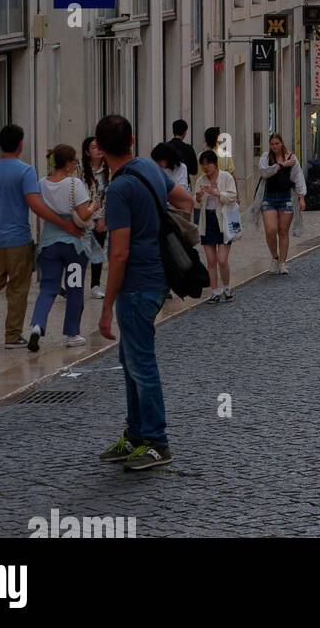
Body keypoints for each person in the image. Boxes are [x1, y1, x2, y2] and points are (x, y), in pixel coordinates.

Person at [96, 114, 194, 472]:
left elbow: (118, 252)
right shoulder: (150, 169)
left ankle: (156, 440)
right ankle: (136, 434)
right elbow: (185, 199)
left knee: (141, 362)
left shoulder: (119, 189)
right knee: (131, 360)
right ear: (133, 140)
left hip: (137, 284)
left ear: (101, 150)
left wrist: (106, 306)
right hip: (157, 276)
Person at [0, 124, 81, 353]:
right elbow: (35, 205)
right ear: (20, 144)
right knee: (18, 287)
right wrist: (64, 224)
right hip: (18, 239)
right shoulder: (25, 171)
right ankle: (12, 335)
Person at [25, 144, 95, 352]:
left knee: (48, 288)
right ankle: (72, 334)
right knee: (74, 288)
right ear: (67, 164)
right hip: (74, 247)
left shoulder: (41, 184)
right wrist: (95, 207)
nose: (76, 164)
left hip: (49, 244)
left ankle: (37, 325)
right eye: (74, 160)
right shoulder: (75, 184)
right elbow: (83, 214)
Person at [256, 132, 306, 275]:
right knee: (270, 230)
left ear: (282, 143)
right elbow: (264, 173)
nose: (275, 146)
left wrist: (301, 197)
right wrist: (281, 165)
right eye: (272, 144)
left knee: (283, 231)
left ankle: (283, 262)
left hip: (286, 197)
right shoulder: (266, 157)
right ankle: (275, 256)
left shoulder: (291, 157)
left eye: (277, 143)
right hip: (269, 197)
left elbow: (298, 177)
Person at [194, 149, 238, 302]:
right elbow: (196, 201)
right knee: (211, 260)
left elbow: (233, 197)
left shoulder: (226, 177)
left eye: (209, 164)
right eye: (203, 165)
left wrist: (217, 193)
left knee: (222, 259)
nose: (206, 167)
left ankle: (226, 287)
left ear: (215, 164)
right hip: (208, 221)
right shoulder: (201, 180)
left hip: (223, 221)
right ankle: (215, 291)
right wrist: (199, 197)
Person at [85, 136, 111, 298]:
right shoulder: (80, 169)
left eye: (100, 146)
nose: (98, 149)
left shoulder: (108, 170)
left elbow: (110, 195)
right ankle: (73, 283)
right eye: (94, 147)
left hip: (100, 216)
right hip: (83, 216)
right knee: (79, 251)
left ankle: (95, 285)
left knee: (97, 251)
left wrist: (104, 218)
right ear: (87, 152)